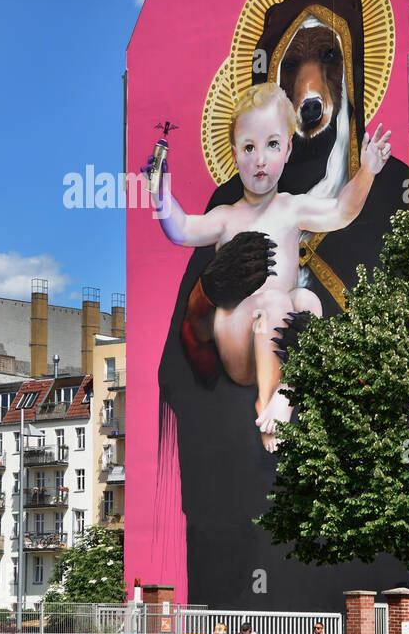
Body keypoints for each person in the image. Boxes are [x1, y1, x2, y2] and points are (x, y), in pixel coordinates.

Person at [147, 82, 392, 451]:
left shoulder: (291, 208)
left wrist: (368, 171)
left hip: (276, 339)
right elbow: (181, 230)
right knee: (276, 302)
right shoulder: (226, 217)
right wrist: (160, 194)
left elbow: (342, 211)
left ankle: (283, 394)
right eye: (249, 147)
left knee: (307, 300)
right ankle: (267, 408)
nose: (260, 159)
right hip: (236, 338)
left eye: (272, 145)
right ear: (234, 154)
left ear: (289, 148)